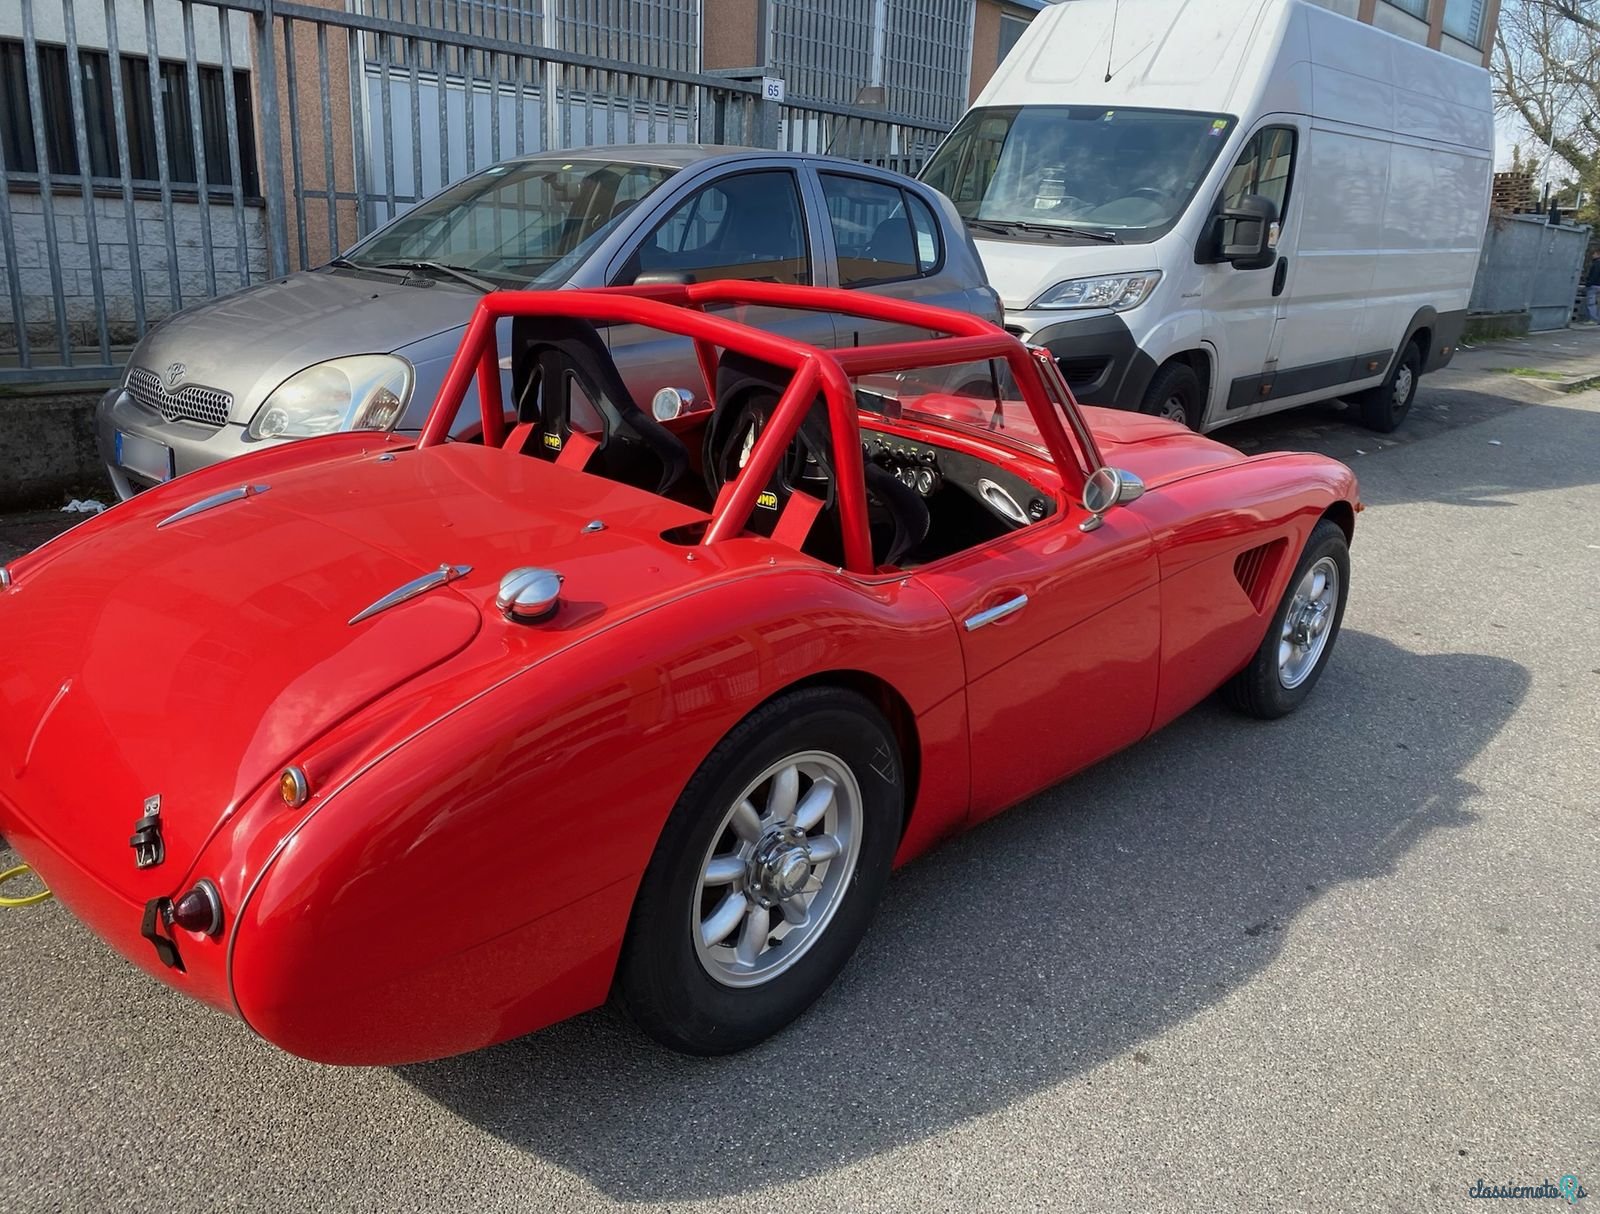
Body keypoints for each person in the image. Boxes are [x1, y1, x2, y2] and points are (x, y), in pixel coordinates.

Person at [1585, 253, 1600, 324]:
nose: (1592, 255)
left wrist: (1588, 283)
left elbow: (1594, 275)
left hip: (1594, 285)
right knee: (1598, 303)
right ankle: (1598, 319)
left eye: (1594, 254)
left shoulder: (1596, 264)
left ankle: (1593, 319)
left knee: (1591, 303)